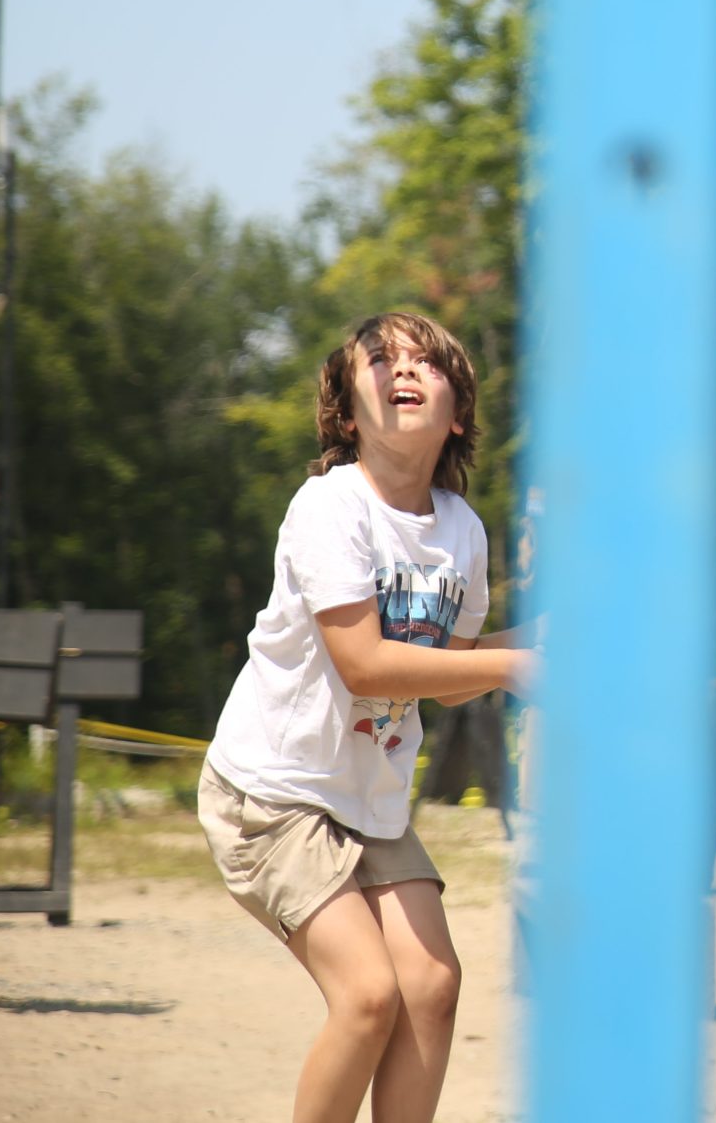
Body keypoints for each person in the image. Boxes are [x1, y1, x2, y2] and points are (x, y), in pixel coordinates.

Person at [199, 313, 537, 1123]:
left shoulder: (462, 530)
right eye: (380, 358)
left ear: (458, 415)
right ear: (347, 414)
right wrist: (518, 665)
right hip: (273, 794)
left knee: (432, 984)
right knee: (368, 995)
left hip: (365, 799)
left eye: (426, 361)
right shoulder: (330, 507)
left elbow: (448, 674)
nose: (403, 368)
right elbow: (367, 664)